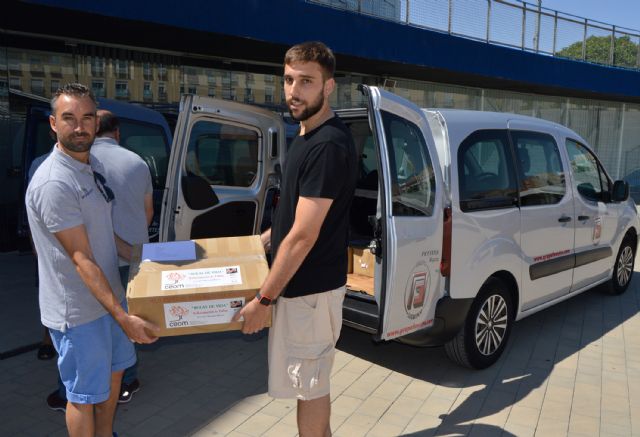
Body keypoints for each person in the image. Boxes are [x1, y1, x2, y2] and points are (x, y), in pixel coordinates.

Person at [233, 41, 357, 436]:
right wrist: (264, 241)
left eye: (306, 81)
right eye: (288, 80)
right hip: (301, 291)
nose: (294, 91)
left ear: (329, 86)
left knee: (311, 388)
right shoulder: (304, 135)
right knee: (311, 385)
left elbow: (304, 235)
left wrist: (262, 300)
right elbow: (293, 218)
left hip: (311, 293)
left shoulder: (327, 145)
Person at [26, 83, 159, 437]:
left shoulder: (91, 166)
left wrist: (147, 259)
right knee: (83, 395)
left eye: (87, 117)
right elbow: (82, 258)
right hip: (79, 313)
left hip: (108, 299)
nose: (80, 126)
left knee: (114, 377)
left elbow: (103, 236)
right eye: (69, 118)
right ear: (53, 123)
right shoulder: (54, 182)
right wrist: (123, 318)